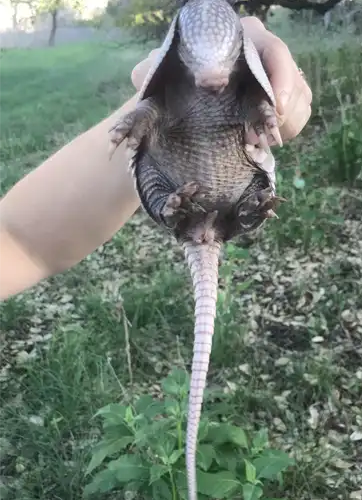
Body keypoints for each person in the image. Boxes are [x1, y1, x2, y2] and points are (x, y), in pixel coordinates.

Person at [0, 17, 312, 301]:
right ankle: (230, 207)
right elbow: (23, 243)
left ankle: (234, 207)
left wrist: (163, 86)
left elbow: (22, 240)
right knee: (173, 182)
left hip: (215, 170)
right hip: (192, 185)